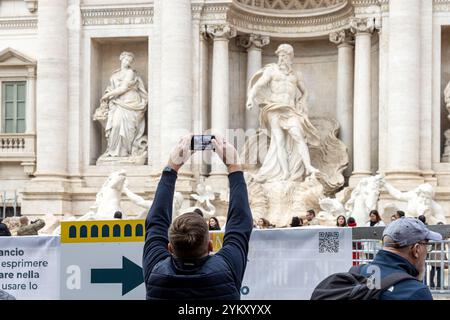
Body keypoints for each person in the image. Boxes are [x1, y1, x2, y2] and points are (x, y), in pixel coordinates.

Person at [142, 135, 253, 300]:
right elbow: (239, 224)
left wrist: (171, 167)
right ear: (210, 246)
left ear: (170, 248)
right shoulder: (226, 269)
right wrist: (234, 165)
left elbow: (156, 223)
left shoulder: (156, 272)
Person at [246, 43, 321, 182]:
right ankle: (285, 172)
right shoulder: (272, 71)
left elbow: (305, 92)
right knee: (279, 141)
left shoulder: (296, 75)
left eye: (284, 56)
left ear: (290, 57)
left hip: (290, 110)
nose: (281, 58)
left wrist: (303, 101)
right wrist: (250, 98)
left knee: (298, 135)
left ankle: (308, 166)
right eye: (280, 55)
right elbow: (258, 85)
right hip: (274, 108)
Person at [357, 217, 442, 299]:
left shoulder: (356, 273)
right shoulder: (416, 292)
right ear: (416, 250)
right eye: (426, 246)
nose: (427, 252)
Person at [96, 51, 148, 159]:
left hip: (130, 101)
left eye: (129, 61)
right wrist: (108, 93)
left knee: (125, 127)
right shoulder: (114, 74)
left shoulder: (130, 72)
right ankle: (113, 151)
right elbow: (111, 87)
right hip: (117, 102)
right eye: (125, 59)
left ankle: (125, 152)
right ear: (121, 58)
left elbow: (123, 88)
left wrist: (108, 95)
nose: (127, 62)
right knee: (115, 125)